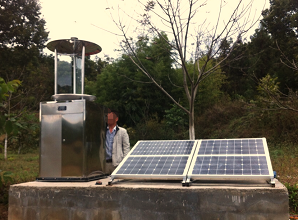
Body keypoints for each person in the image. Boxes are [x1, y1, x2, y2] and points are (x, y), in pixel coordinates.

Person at [105, 109, 130, 174]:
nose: (108, 119)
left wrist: (124, 163)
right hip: (104, 164)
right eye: (107, 117)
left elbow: (126, 148)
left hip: (117, 164)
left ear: (116, 119)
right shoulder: (103, 131)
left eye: (110, 117)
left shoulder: (122, 131)